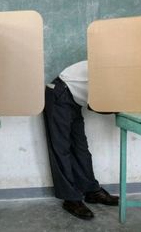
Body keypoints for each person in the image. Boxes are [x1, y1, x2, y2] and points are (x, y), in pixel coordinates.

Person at [43, 60, 119, 220]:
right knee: (61, 150)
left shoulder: (125, 73)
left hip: (73, 99)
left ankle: (91, 190)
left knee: (81, 149)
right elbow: (96, 105)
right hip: (59, 93)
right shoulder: (110, 66)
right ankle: (71, 199)